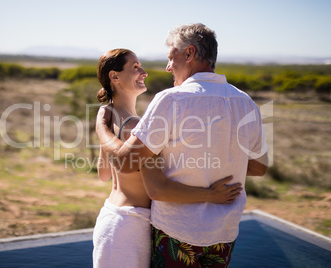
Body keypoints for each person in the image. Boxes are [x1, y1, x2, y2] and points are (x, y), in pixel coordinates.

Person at [96, 24, 268, 267]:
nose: (168, 67)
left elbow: (125, 163)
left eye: (170, 57)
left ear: (189, 54)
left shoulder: (171, 99)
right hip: (224, 233)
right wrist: (217, 157)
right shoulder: (246, 102)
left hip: (177, 231)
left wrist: (100, 127)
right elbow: (259, 167)